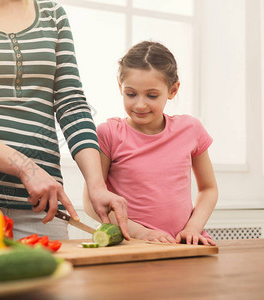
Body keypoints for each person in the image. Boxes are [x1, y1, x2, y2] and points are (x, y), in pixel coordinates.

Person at [0, 0, 130, 240]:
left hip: (42, 206)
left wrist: (96, 185)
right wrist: (25, 168)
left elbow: (71, 103)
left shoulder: (53, 14)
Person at [84, 41, 218, 246]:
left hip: (183, 245)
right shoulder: (108, 133)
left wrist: (193, 228)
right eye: (131, 94)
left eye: (152, 95)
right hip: (133, 244)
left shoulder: (190, 129)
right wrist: (140, 232)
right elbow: (91, 202)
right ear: (120, 87)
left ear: (173, 90)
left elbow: (208, 189)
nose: (140, 104)